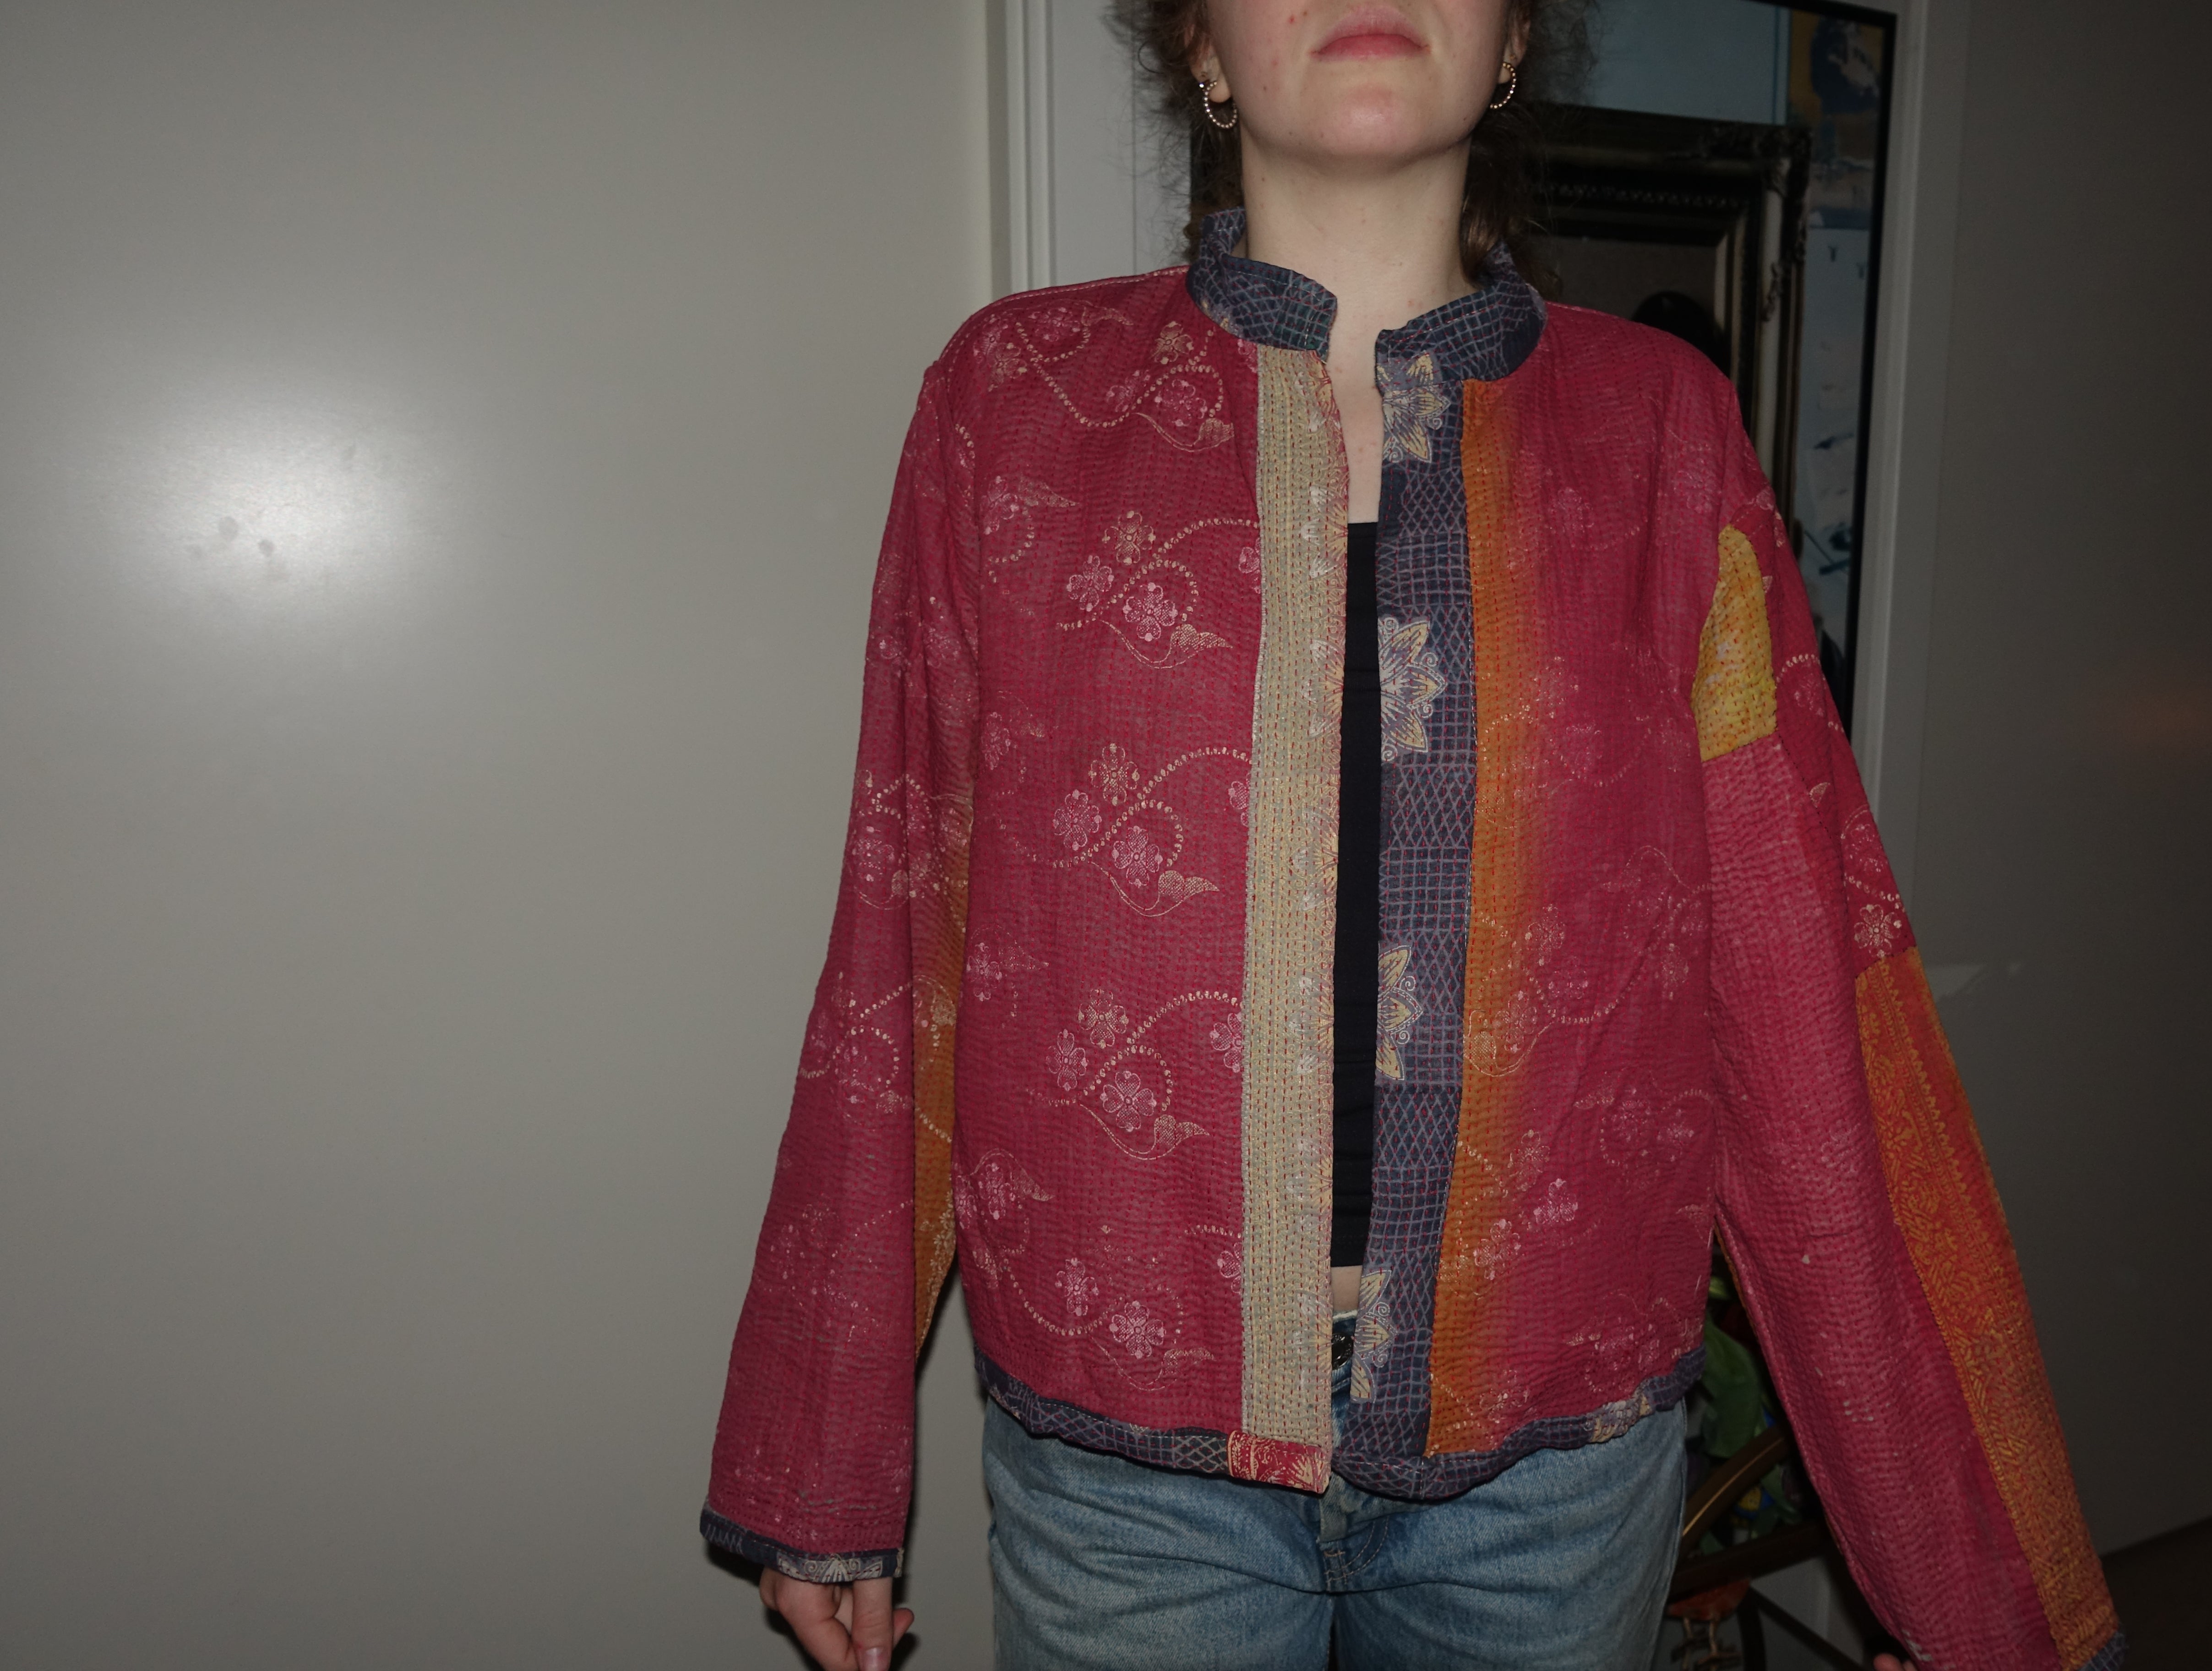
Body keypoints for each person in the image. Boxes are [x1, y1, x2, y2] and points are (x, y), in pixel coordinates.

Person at [700, 3, 2126, 1668]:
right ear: (1201, 48)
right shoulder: (1011, 406)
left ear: (1513, 39)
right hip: (1127, 1467)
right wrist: (822, 1454)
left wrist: (1956, 1568)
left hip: (1552, 1466)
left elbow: (1800, 970)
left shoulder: (1661, 434)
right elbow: (903, 937)